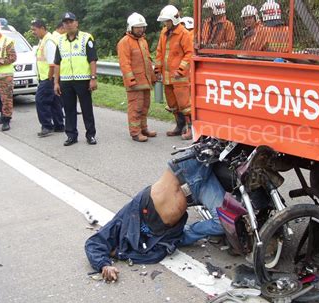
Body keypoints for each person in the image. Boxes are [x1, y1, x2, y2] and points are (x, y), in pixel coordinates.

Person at [85, 152, 226, 281]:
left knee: (214, 145)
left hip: (181, 174)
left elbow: (93, 243)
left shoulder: (120, 225)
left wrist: (103, 265)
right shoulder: (149, 249)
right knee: (223, 221)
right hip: (197, 189)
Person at [54, 12, 98, 146]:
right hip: (66, 80)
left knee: (86, 108)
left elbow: (92, 60)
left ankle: (90, 135)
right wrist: (56, 82)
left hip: (83, 79)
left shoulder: (86, 38)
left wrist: (93, 78)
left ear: (76, 23)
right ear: (63, 25)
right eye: (66, 22)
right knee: (69, 109)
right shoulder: (60, 40)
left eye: (71, 21)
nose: (68, 24)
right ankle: (71, 135)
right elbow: (57, 62)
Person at [155, 5, 194, 140]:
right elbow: (160, 52)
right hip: (167, 77)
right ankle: (179, 126)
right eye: (164, 21)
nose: (165, 24)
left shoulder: (184, 33)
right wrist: (157, 70)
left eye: (167, 21)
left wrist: (181, 70)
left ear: (174, 20)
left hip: (180, 77)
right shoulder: (164, 32)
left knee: (185, 104)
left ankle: (191, 129)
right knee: (173, 104)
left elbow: (189, 54)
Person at [117, 12, 157, 142]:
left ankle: (143, 128)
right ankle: (135, 132)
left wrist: (152, 77)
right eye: (137, 27)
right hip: (134, 83)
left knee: (145, 107)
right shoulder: (124, 42)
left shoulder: (143, 41)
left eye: (142, 27)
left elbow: (148, 61)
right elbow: (125, 63)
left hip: (145, 81)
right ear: (131, 28)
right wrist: (131, 80)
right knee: (136, 108)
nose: (140, 29)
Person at [31, 19, 64, 137]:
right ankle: (59, 125)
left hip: (48, 78)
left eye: (34, 29)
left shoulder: (48, 41)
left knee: (41, 100)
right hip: (49, 77)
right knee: (54, 101)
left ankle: (46, 126)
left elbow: (52, 63)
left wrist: (49, 78)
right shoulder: (43, 40)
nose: (33, 32)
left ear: (42, 28)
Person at [0, 17, 16, 131]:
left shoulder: (7, 41)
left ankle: (6, 120)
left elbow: (13, 57)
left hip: (5, 76)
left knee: (6, 99)